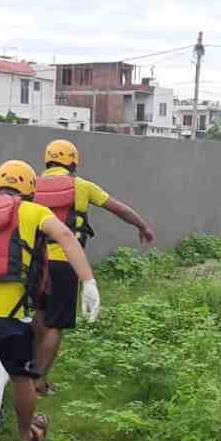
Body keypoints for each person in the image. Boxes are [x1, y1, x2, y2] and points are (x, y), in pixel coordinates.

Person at [0, 160, 100, 441]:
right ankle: (25, 436)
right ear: (30, 188)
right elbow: (65, 235)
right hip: (10, 321)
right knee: (21, 379)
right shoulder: (33, 210)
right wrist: (88, 281)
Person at [32, 139, 155, 395]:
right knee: (56, 324)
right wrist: (142, 225)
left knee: (40, 316)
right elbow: (118, 209)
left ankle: (29, 370)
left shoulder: (32, 185)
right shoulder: (82, 186)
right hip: (66, 262)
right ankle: (38, 382)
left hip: (35, 262)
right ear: (72, 162)